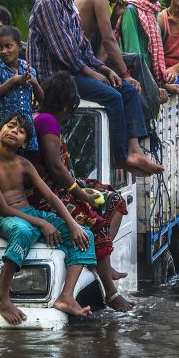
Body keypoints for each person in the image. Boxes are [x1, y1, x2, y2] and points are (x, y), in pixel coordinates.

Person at [28, 0, 163, 176]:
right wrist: (92, 73)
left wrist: (106, 69)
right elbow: (64, 50)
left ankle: (134, 150)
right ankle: (121, 158)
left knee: (127, 90)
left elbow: (82, 47)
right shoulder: (49, 2)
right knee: (113, 96)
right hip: (54, 78)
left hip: (72, 72)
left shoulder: (70, 6)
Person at [27, 72, 135, 311]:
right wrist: (80, 193)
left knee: (114, 198)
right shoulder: (46, 121)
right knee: (96, 222)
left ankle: (99, 261)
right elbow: (55, 167)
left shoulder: (40, 117)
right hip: (47, 194)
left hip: (59, 185)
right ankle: (110, 290)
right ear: (65, 105)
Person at [0, 112, 97, 325]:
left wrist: (72, 224)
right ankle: (2, 297)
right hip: (5, 217)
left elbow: (50, 196)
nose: (14, 131)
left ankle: (66, 296)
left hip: (29, 213)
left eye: (21, 131)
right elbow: (2, 208)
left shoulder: (23, 164)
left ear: (25, 142)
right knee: (23, 232)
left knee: (85, 234)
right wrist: (42, 223)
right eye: (10, 126)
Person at [75, 0, 141, 92]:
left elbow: (101, 35)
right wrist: (126, 75)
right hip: (79, 64)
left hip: (85, 60)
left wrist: (115, 16)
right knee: (129, 90)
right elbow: (108, 40)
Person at [117, 0, 177, 101]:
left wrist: (163, 85)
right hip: (137, 82)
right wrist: (154, 88)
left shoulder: (154, 11)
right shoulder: (132, 9)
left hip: (148, 80)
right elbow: (134, 56)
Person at [0, 26, 44, 152]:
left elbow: (41, 99)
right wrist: (13, 80)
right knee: (4, 160)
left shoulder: (28, 69)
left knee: (25, 159)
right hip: (5, 127)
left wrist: (35, 84)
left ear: (19, 46)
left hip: (26, 127)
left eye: (8, 46)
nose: (4, 51)